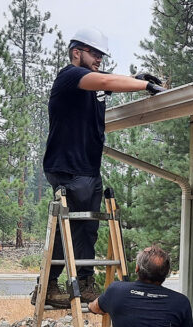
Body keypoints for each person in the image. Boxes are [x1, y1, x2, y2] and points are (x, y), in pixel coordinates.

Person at [34, 28, 166, 308]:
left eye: (100, 55)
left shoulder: (94, 87)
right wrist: (144, 86)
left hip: (88, 168)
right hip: (67, 166)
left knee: (88, 228)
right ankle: (47, 286)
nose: (98, 59)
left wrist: (136, 78)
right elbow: (105, 80)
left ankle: (84, 281)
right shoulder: (69, 76)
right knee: (67, 227)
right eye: (93, 54)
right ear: (76, 53)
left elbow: (108, 82)